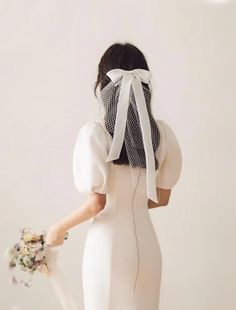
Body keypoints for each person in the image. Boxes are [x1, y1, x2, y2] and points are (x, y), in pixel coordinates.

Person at [45, 42, 182, 310]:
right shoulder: (162, 135)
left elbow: (98, 204)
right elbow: (162, 199)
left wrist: (58, 228)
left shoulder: (96, 134)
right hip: (147, 246)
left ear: (102, 83)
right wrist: (130, 208)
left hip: (107, 247)